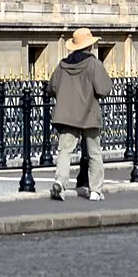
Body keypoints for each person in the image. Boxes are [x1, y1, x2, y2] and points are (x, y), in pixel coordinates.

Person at [46, 27, 112, 200]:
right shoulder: (93, 64)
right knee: (94, 152)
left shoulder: (62, 65)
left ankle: (60, 182)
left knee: (65, 150)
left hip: (67, 114)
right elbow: (104, 89)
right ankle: (95, 190)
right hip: (89, 113)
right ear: (89, 46)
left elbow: (52, 87)